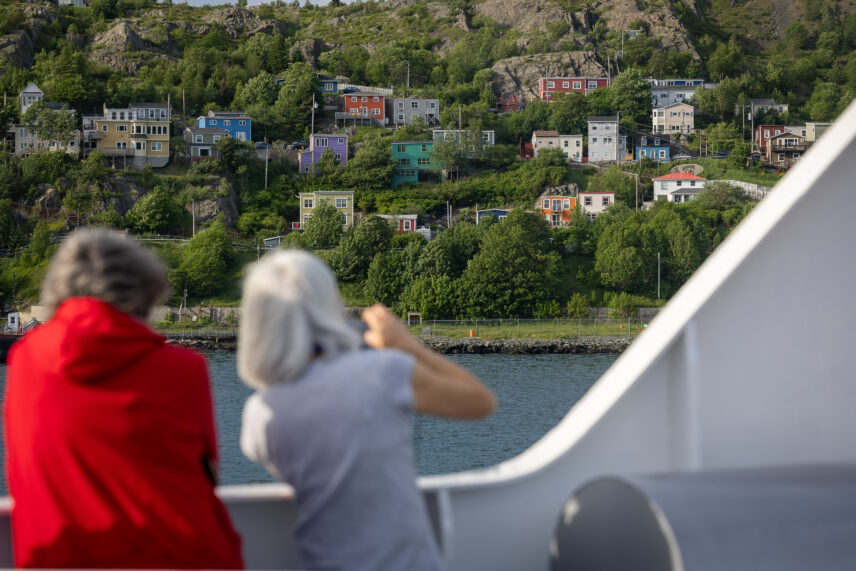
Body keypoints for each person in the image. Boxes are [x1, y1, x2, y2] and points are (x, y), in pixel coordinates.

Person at [239, 250, 496, 571]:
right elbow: (480, 402)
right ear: (328, 306)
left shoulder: (258, 413)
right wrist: (405, 345)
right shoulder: (382, 372)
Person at [4, 228, 243, 569]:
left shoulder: (24, 363)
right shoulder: (185, 370)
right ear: (145, 291)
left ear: (58, 291)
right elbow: (208, 474)